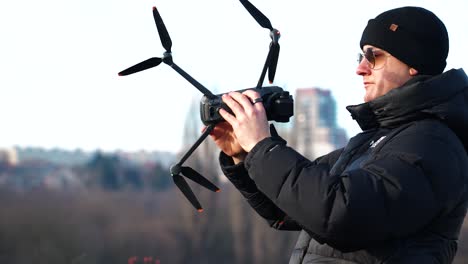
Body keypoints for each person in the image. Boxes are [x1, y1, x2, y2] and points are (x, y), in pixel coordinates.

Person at [209, 6, 468, 264]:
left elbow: (340, 214)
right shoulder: (373, 142)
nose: (361, 68)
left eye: (373, 56)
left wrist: (262, 145)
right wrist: (244, 155)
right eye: (361, 57)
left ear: (413, 64)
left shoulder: (433, 145)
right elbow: (291, 207)